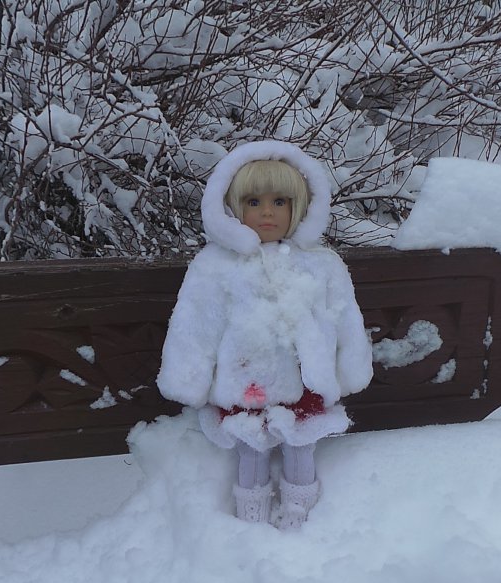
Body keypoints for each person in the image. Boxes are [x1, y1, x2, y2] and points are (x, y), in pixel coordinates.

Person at [157, 141, 373, 530]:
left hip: (303, 381)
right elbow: (195, 323)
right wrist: (189, 376)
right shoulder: (215, 266)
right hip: (245, 381)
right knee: (250, 451)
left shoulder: (322, 264)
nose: (267, 212)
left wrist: (349, 367)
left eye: (280, 201)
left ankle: (299, 516)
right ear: (233, 209)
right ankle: (251, 520)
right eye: (253, 202)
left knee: (301, 446)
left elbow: (343, 318)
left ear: (299, 207)